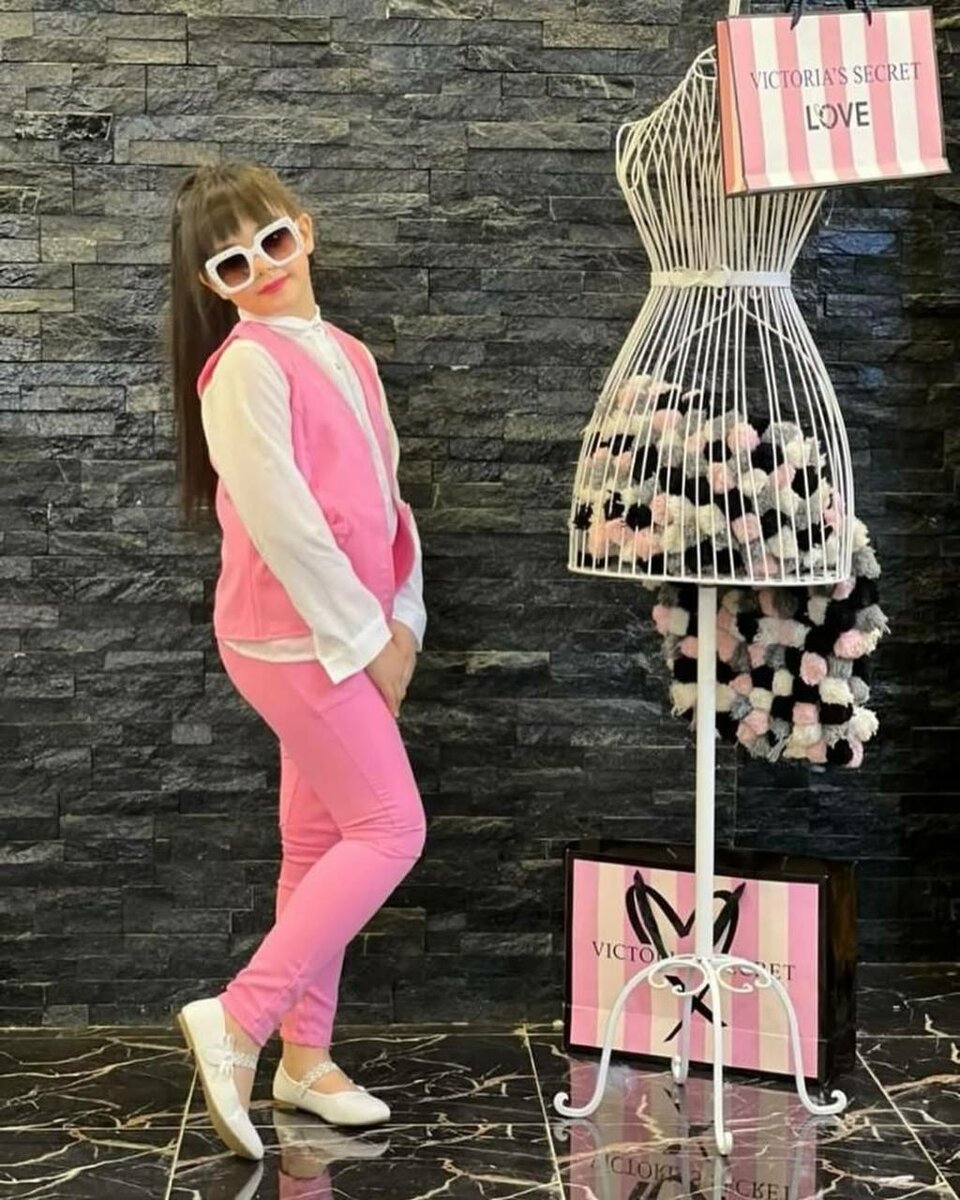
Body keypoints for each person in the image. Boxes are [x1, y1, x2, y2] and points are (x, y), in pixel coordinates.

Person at [164, 161, 428, 1161]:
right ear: (214, 286)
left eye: (272, 241)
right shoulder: (243, 368)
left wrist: (403, 620)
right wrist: (367, 645)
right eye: (233, 263)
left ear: (304, 230)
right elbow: (287, 527)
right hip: (289, 641)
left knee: (319, 844)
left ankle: (304, 1061)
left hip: (352, 630)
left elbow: (386, 500)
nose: (263, 267)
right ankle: (239, 1018)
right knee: (391, 827)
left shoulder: (348, 353)